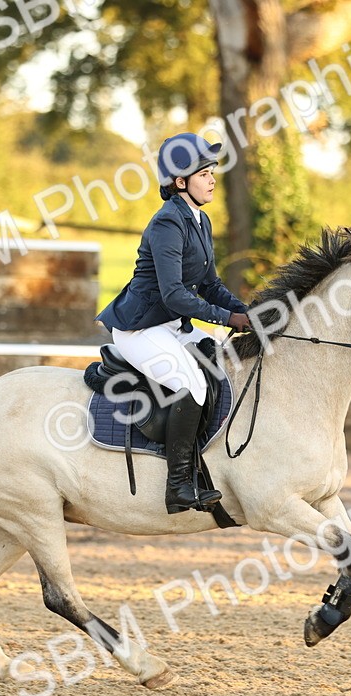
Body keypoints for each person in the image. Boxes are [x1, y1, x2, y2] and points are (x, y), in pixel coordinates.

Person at [95, 133, 252, 514]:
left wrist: (247, 312)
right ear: (180, 181)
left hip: (170, 325)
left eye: (212, 172)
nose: (212, 179)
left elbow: (210, 285)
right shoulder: (167, 222)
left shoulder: (200, 219)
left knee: (219, 362)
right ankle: (178, 485)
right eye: (204, 174)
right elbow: (175, 295)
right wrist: (228, 318)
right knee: (191, 384)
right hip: (141, 328)